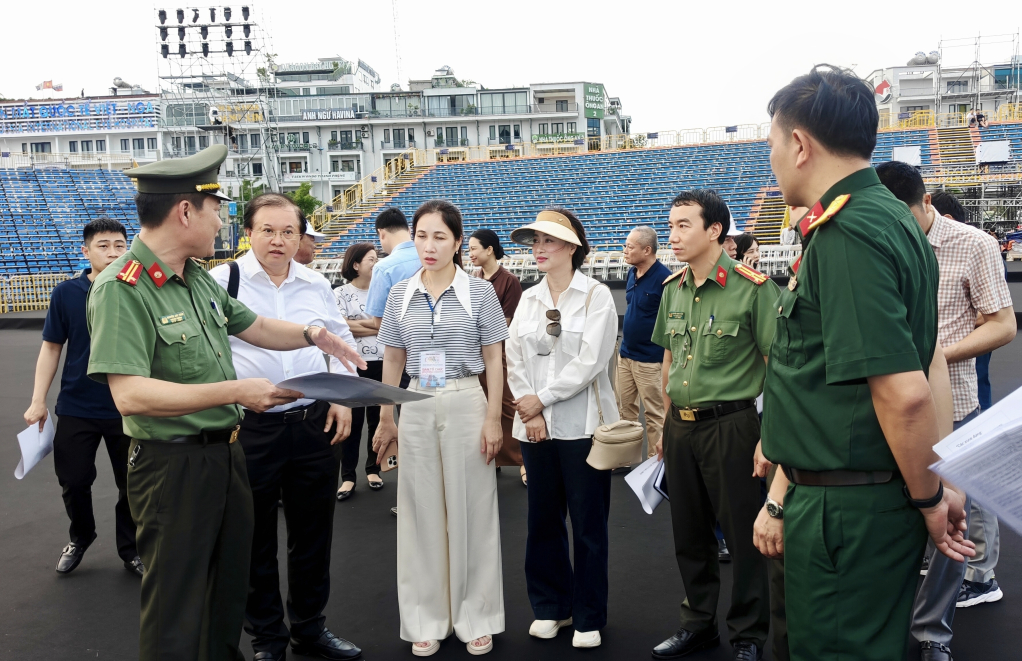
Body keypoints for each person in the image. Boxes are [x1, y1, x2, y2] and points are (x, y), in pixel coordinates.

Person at [85, 145, 365, 661]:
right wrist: (237, 391)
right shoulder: (122, 288)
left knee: (224, 594)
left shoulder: (193, 278)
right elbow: (129, 395)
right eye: (217, 209)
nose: (223, 222)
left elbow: (255, 327)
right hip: (173, 465)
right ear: (186, 211)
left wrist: (312, 334)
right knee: (177, 603)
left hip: (225, 454)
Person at [757, 65, 973, 661]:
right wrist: (936, 482)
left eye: (772, 143)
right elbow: (925, 361)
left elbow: (903, 392)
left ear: (799, 144)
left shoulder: (846, 230)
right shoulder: (892, 219)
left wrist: (930, 500)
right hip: (868, 497)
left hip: (844, 509)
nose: (770, 159)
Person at [210, 193, 361, 661]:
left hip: (313, 424)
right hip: (250, 428)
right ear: (247, 233)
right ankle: (268, 638)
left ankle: (310, 628)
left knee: (313, 533)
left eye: (288, 232)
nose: (278, 240)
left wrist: (343, 397)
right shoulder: (222, 281)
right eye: (268, 230)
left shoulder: (316, 283)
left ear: (302, 236)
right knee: (252, 537)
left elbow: (340, 342)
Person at [876, 164, 1015, 661]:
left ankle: (934, 633)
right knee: (895, 515)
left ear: (927, 202)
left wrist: (935, 354)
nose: (898, 230)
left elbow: (1002, 325)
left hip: (954, 401)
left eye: (906, 218)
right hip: (886, 406)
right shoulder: (876, 241)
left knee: (954, 521)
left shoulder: (972, 244)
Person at [372, 200, 508, 656]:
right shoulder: (399, 294)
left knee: (473, 509)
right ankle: (425, 617)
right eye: (422, 235)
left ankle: (476, 614)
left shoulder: (480, 292)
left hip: (467, 399)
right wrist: (386, 416)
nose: (429, 246)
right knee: (419, 510)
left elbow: (494, 358)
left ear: (456, 242)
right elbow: (393, 357)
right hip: (415, 400)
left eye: (440, 237)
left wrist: (493, 418)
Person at [648, 190, 779, 661]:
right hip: (681, 427)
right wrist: (666, 425)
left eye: (684, 225)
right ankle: (697, 622)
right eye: (671, 225)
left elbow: (776, 366)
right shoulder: (673, 289)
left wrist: (771, 437)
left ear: (715, 231)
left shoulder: (755, 289)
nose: (673, 235)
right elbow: (668, 360)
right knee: (689, 532)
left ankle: (748, 634)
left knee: (743, 536)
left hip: (733, 426)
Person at [505, 208, 619, 650]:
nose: (538, 249)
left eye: (548, 241)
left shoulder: (596, 296)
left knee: (589, 523)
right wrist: (530, 412)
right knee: (542, 520)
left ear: (572, 247)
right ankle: (551, 606)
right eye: (535, 241)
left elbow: (590, 362)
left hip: (583, 427)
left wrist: (542, 399)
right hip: (535, 427)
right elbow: (514, 357)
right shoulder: (530, 299)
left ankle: (589, 613)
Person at [23, 218, 142, 577]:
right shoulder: (66, 293)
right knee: (73, 480)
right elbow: (51, 348)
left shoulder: (139, 287)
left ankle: (131, 548)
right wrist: (37, 399)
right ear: (86, 251)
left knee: (132, 485)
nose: (112, 252)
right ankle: (82, 535)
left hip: (130, 405)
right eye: (103, 246)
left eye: (120, 245)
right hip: (76, 406)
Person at [363, 206, 421, 517]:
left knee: (408, 431)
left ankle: (412, 500)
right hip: (440, 364)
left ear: (382, 234)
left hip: (402, 363)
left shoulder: (386, 268)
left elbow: (378, 322)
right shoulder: (433, 258)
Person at [468, 228, 525, 480]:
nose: (469, 254)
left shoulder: (508, 280)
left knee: (507, 406)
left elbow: (506, 322)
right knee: (483, 407)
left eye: (473, 248)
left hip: (500, 353)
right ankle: (496, 457)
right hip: (478, 354)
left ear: (489, 250)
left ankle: (524, 461)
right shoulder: (475, 277)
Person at [334, 242, 385, 499]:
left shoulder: (382, 291)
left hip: (381, 364)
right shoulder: (341, 293)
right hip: (352, 365)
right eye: (371, 260)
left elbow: (388, 326)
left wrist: (359, 324)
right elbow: (342, 327)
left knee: (376, 420)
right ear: (356, 265)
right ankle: (348, 476)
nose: (376, 264)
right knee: (351, 423)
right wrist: (375, 326)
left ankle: (373, 469)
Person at [619, 226, 671, 460]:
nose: (625, 250)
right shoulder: (632, 273)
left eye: (630, 247)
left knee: (654, 415)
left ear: (647, 250)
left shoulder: (664, 279)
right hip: (625, 356)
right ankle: (625, 458)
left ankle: (654, 464)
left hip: (650, 360)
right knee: (625, 410)